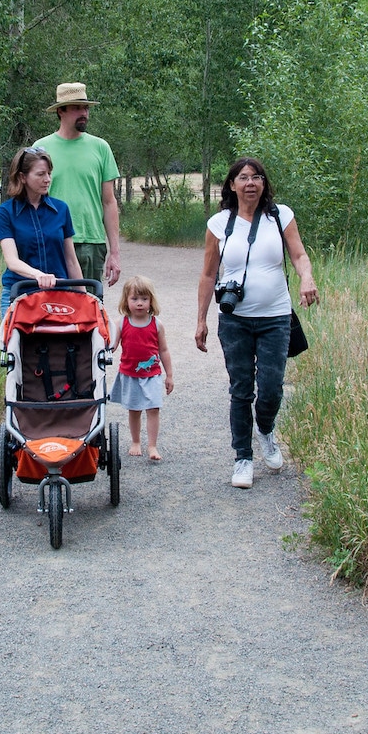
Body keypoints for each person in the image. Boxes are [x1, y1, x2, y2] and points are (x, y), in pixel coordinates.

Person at [194, 157, 318, 489]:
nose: (251, 183)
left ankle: (265, 429)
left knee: (272, 386)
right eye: (244, 177)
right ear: (231, 185)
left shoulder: (280, 216)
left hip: (276, 317)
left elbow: (299, 255)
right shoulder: (219, 224)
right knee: (241, 390)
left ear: (264, 184)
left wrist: (307, 278)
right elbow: (208, 275)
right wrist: (201, 320)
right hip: (234, 321)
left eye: (257, 177)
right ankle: (243, 459)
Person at [37, 82, 122, 287]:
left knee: (90, 310)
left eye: (85, 108)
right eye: (76, 108)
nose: (83, 113)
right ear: (60, 111)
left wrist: (115, 253)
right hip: (52, 240)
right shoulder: (41, 149)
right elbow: (32, 202)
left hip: (91, 242)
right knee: (54, 309)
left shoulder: (100, 148)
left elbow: (109, 202)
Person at [0, 146, 82, 316]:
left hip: (58, 295)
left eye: (49, 173)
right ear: (22, 177)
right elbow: (12, 261)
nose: (47, 179)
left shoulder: (61, 210)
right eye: (41, 174)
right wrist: (39, 276)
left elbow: (71, 260)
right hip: (19, 293)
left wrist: (85, 298)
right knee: (13, 342)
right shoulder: (5, 213)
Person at [110, 275, 174, 462]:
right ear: (126, 300)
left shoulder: (157, 324)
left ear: (151, 301)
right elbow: (112, 345)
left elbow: (164, 350)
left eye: (144, 299)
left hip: (152, 374)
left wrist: (169, 375)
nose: (139, 303)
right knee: (134, 409)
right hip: (130, 374)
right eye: (135, 299)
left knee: (153, 408)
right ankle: (136, 441)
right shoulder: (121, 323)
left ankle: (152, 445)